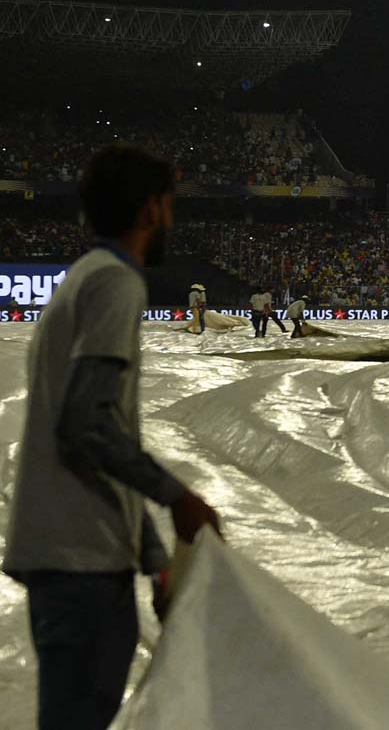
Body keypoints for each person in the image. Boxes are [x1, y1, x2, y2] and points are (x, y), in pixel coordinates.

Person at [2, 144, 221, 730]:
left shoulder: (82, 279)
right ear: (150, 209)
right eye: (169, 205)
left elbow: (95, 433)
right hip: (81, 559)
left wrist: (151, 554)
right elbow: (88, 424)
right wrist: (178, 497)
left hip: (75, 551)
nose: (171, 220)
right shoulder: (117, 285)